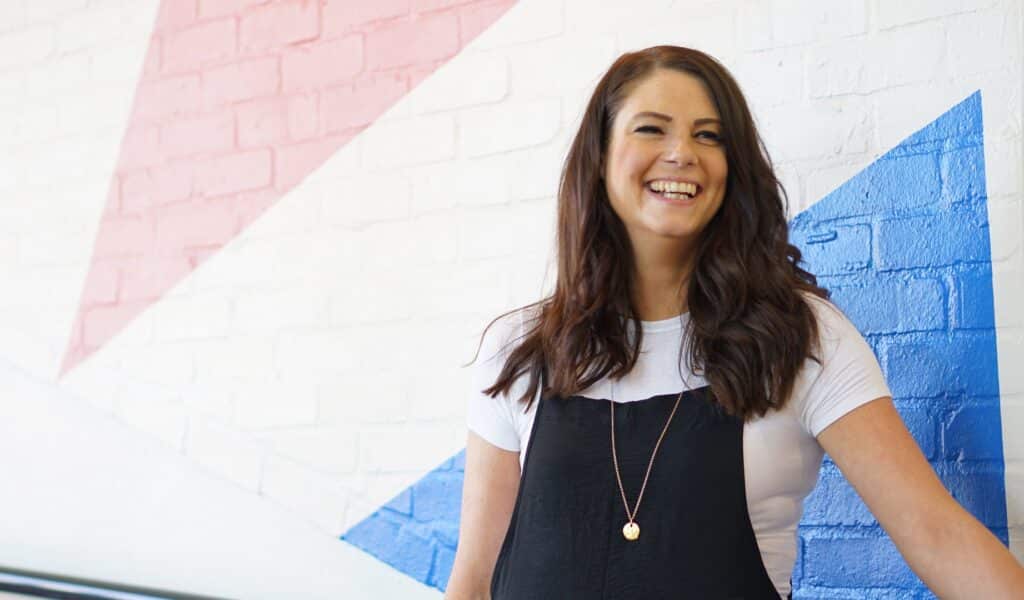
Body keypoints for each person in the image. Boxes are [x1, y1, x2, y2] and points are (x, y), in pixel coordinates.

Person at [444, 45, 1024, 599]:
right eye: (652, 128)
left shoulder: (802, 340)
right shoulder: (520, 350)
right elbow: (473, 584)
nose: (681, 153)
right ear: (598, 158)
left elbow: (938, 535)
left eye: (709, 136)